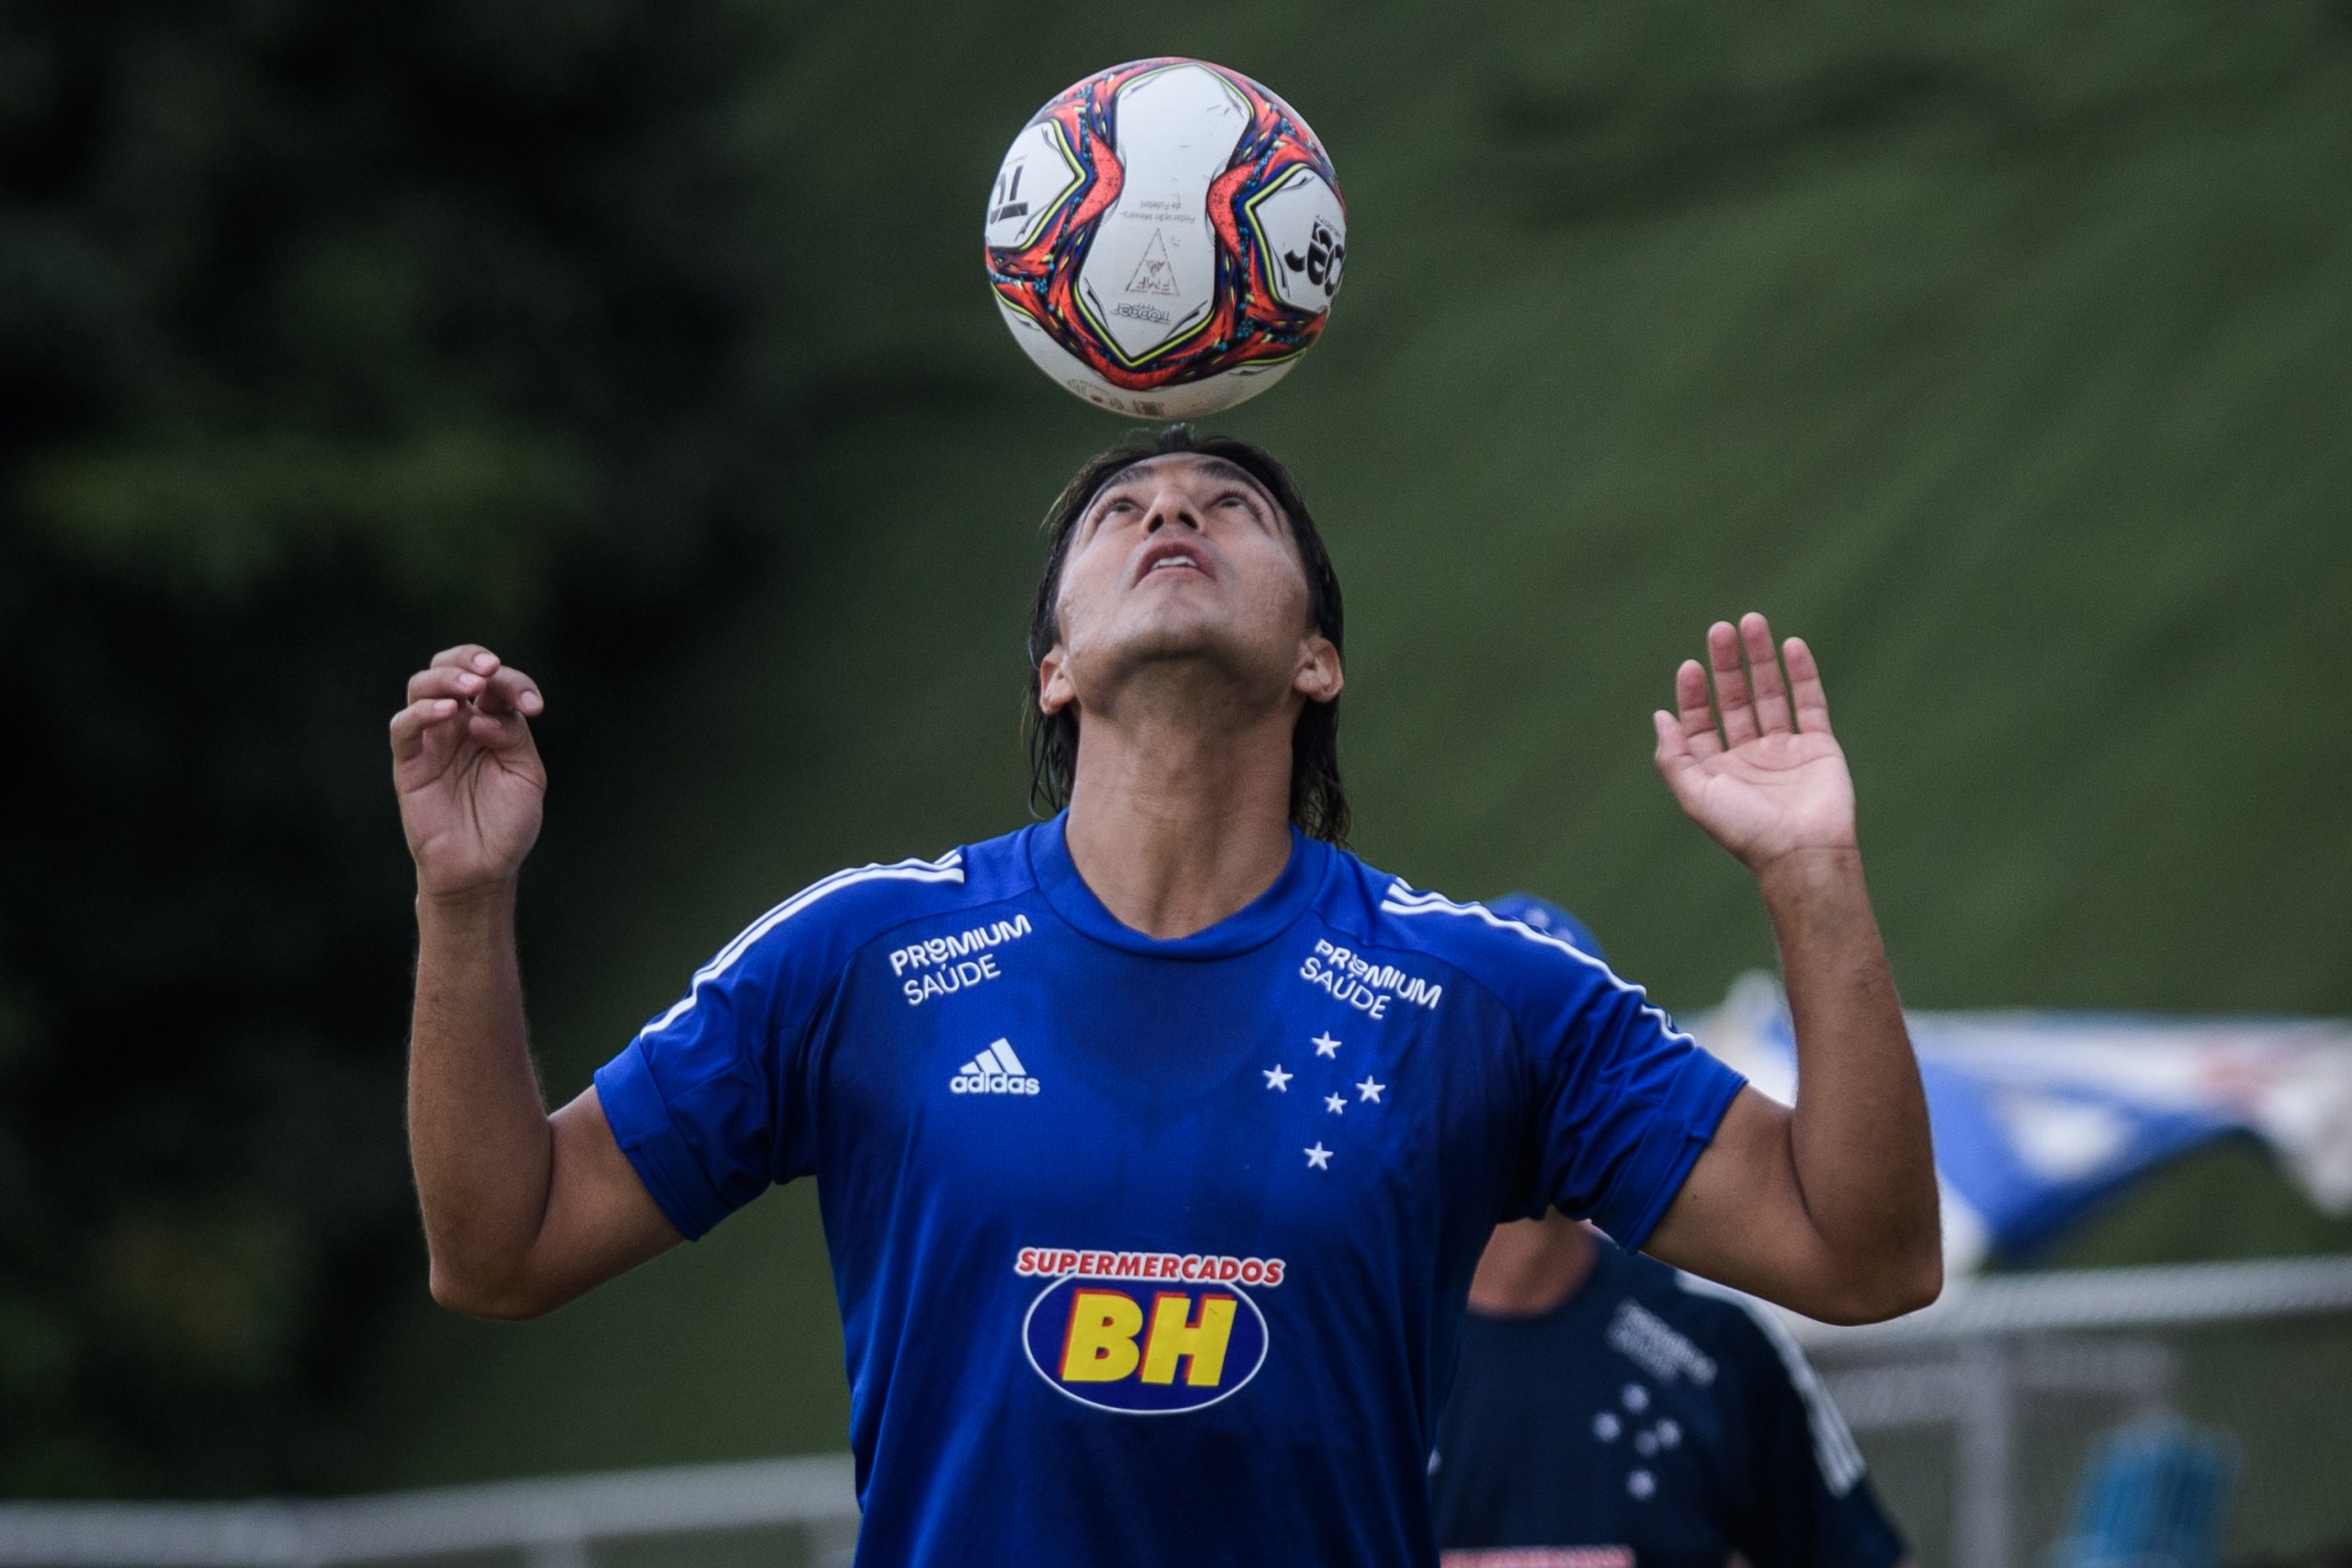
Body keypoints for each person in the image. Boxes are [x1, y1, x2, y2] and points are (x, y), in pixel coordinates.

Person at [390, 425, 1940, 1567]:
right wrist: (464, 899)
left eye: (1232, 506)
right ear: (1057, 667)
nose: (1174, 511)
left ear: (1317, 656)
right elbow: (499, 1244)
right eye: (1122, 509)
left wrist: (1813, 875)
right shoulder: (860, 957)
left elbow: (1865, 1253)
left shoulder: (1481, 995)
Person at [1430, 895, 1911, 1568]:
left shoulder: (1712, 1344)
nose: (1531, 1083)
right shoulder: (1353, 1335)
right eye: (1496, 1043)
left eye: (1567, 1048)